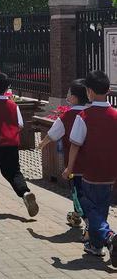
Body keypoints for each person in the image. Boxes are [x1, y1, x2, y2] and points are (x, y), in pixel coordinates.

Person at [64, 70, 117, 263]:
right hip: (110, 171)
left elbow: (75, 145)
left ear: (88, 92)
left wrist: (70, 168)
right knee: (101, 206)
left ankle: (109, 236)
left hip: (90, 171)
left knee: (88, 205)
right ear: (109, 90)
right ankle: (96, 246)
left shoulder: (84, 116)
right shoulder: (115, 115)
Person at [0, 71, 39, 217]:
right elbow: (20, 125)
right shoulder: (13, 105)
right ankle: (25, 192)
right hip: (11, 144)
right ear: (7, 87)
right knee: (13, 172)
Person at [38, 79, 89, 229]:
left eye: (68, 93)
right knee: (86, 191)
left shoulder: (66, 117)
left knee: (77, 191)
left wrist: (42, 144)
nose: (67, 95)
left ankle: (87, 222)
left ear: (73, 98)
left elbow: (53, 134)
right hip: (92, 163)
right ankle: (76, 216)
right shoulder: (90, 114)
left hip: (75, 163)